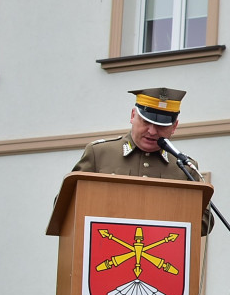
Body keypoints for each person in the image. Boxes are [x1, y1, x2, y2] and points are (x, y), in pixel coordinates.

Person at [72, 87, 211, 235]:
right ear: (133, 115)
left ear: (174, 127)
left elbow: (204, 223)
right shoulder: (99, 153)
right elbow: (69, 206)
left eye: (160, 126)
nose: (152, 131)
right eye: (146, 122)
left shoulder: (184, 167)